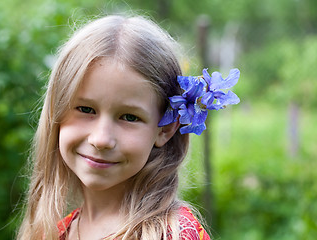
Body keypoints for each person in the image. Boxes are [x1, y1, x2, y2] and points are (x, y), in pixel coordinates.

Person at [16, 14, 237, 240]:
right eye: (86, 109)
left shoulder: (175, 234)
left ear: (165, 128)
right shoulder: (53, 233)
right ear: (56, 112)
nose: (101, 139)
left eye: (129, 117)